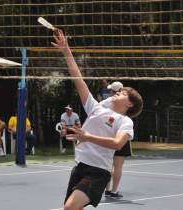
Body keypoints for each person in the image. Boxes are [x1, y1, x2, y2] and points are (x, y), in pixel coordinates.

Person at [51, 30, 143, 209]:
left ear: (130, 105)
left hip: (98, 172)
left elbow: (117, 144)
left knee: (70, 206)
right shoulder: (96, 107)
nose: (117, 94)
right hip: (79, 167)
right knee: (70, 209)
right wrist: (66, 51)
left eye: (122, 93)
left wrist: (87, 137)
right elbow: (78, 79)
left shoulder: (125, 121)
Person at [100, 81, 137, 199]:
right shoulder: (125, 103)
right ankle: (114, 192)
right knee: (118, 165)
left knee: (108, 164)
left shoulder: (107, 102)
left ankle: (107, 190)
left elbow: (98, 112)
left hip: (110, 133)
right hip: (121, 133)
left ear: (112, 91)